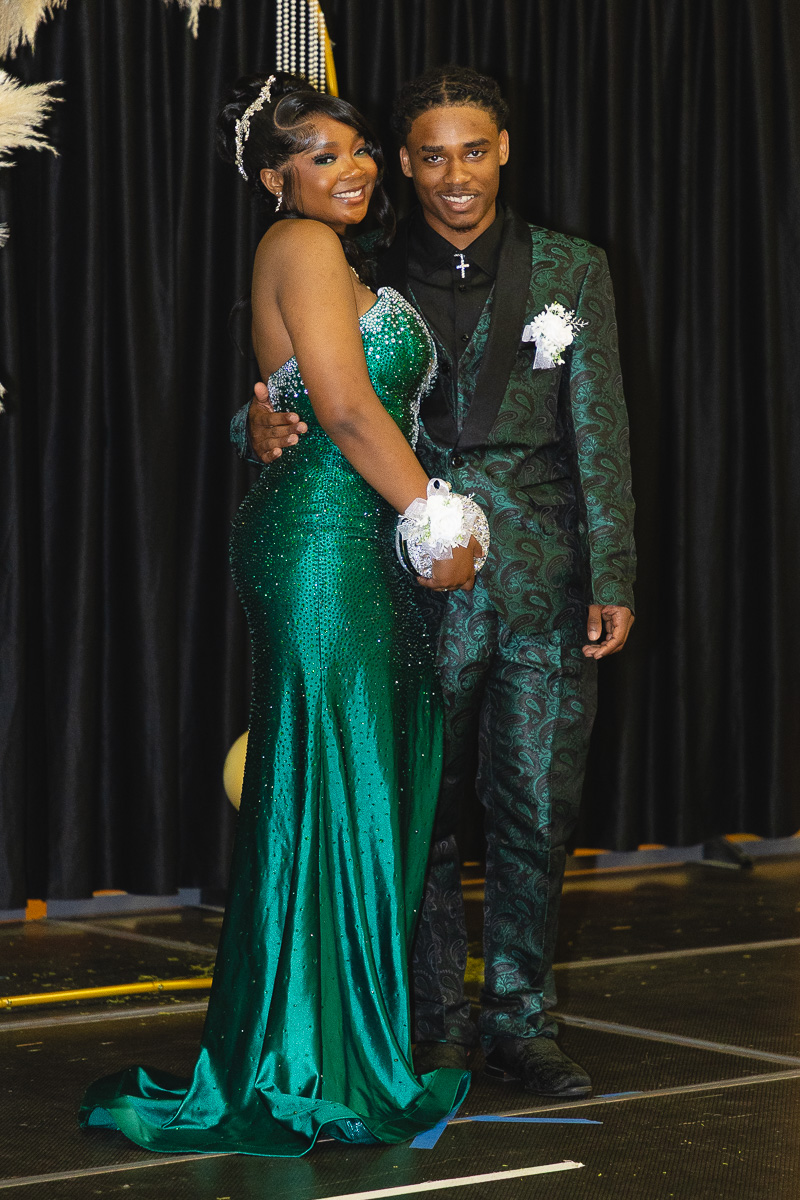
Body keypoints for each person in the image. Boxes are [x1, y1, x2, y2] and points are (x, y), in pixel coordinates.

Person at [79, 72, 488, 1157]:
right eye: (322, 155)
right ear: (273, 177)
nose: (351, 168)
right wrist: (438, 519)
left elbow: (291, 401)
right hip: (323, 548)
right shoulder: (299, 246)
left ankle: (325, 1048)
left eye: (357, 150)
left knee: (349, 784)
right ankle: (311, 1065)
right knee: (340, 785)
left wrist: (253, 428)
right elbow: (347, 409)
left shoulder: (324, 256)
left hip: (344, 541)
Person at [236, 65, 636, 1101]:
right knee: (417, 811)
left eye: (471, 151)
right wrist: (252, 426)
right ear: (406, 164)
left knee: (534, 810)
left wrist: (613, 569)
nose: (450, 176)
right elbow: (300, 391)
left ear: (502, 149)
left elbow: (599, 428)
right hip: (405, 574)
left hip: (544, 582)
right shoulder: (356, 256)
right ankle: (430, 1019)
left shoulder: (572, 267)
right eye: (425, 155)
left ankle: (520, 1020)